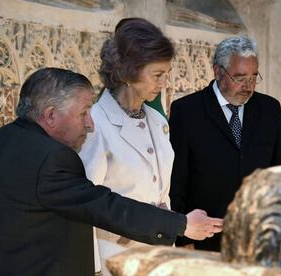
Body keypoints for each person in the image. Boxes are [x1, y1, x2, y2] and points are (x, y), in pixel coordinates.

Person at [0, 67, 223, 276]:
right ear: (50, 116)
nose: (90, 124)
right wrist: (181, 225)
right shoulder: (53, 158)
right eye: (83, 113)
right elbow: (106, 207)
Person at [78, 18, 222, 274]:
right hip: (116, 259)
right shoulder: (96, 125)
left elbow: (160, 191)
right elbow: (89, 207)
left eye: (166, 74)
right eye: (157, 75)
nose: (163, 82)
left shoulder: (157, 121)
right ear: (129, 73)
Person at [169, 36, 281, 251]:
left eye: (254, 77)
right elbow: (177, 178)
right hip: (206, 239)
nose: (248, 86)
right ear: (218, 72)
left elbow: (280, 173)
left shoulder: (270, 109)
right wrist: (183, 236)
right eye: (240, 78)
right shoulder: (186, 111)